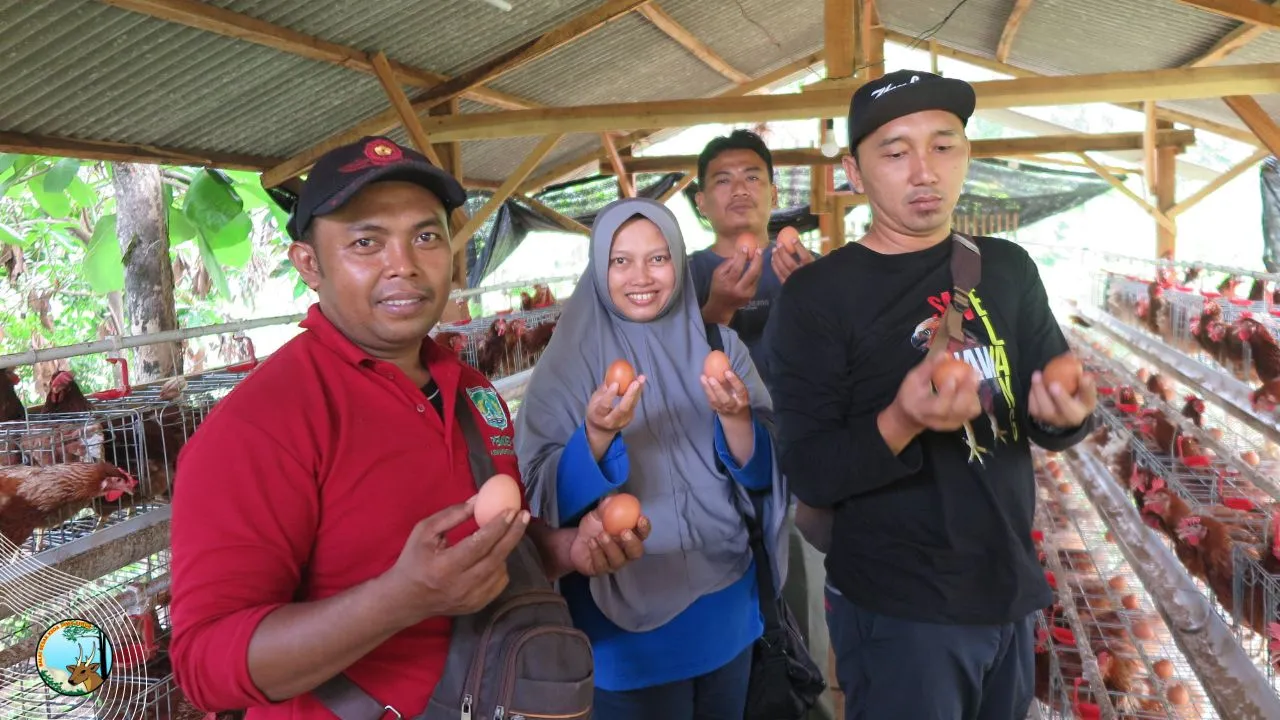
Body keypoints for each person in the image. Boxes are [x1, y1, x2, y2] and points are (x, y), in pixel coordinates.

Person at [167, 136, 649, 719]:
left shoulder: (472, 392)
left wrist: (564, 549)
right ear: (309, 265)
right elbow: (202, 667)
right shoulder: (261, 425)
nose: (405, 265)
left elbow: (485, 548)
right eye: (366, 242)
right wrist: (399, 600)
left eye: (426, 237)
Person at [764, 70, 1099, 720]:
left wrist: (1068, 412)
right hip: (901, 609)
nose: (924, 170)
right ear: (854, 172)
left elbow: (1046, 408)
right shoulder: (818, 297)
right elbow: (809, 468)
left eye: (944, 146)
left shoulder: (1006, 268)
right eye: (895, 152)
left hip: (1007, 586)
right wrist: (902, 418)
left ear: (967, 155)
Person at [515, 197, 791, 720]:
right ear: (599, 268)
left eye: (658, 257)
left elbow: (764, 477)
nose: (641, 276)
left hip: (726, 601)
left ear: (680, 263)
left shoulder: (722, 346)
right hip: (619, 622)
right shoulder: (566, 366)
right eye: (621, 260)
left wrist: (735, 419)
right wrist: (596, 434)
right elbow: (541, 498)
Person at [688, 129, 817, 389]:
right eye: (723, 181)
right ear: (701, 202)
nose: (739, 191)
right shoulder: (682, 276)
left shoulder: (811, 267)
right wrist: (717, 309)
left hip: (800, 419)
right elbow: (669, 361)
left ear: (773, 194)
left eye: (752, 177)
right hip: (715, 423)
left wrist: (816, 297)